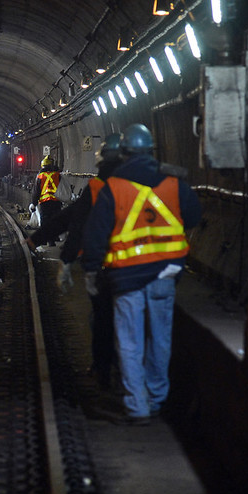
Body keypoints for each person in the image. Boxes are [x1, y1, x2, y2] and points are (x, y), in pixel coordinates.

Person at [80, 124, 201, 425]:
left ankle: (137, 406)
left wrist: (91, 270)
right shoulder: (173, 182)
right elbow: (194, 216)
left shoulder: (113, 187)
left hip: (127, 277)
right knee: (160, 339)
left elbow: (96, 233)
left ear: (123, 153)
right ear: (150, 151)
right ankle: (156, 398)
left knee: (129, 341)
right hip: (166, 274)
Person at [26, 134, 123, 389]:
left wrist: (63, 256)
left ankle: (104, 370)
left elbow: (76, 221)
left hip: (107, 267)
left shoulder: (98, 188)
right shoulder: (148, 186)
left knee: (102, 319)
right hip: (147, 269)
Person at [30, 156, 63, 245]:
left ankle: (45, 240)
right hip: (56, 201)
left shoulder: (40, 176)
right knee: (55, 221)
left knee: (45, 221)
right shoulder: (58, 175)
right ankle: (54, 238)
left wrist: (34, 203)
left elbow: (36, 191)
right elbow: (63, 188)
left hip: (45, 202)